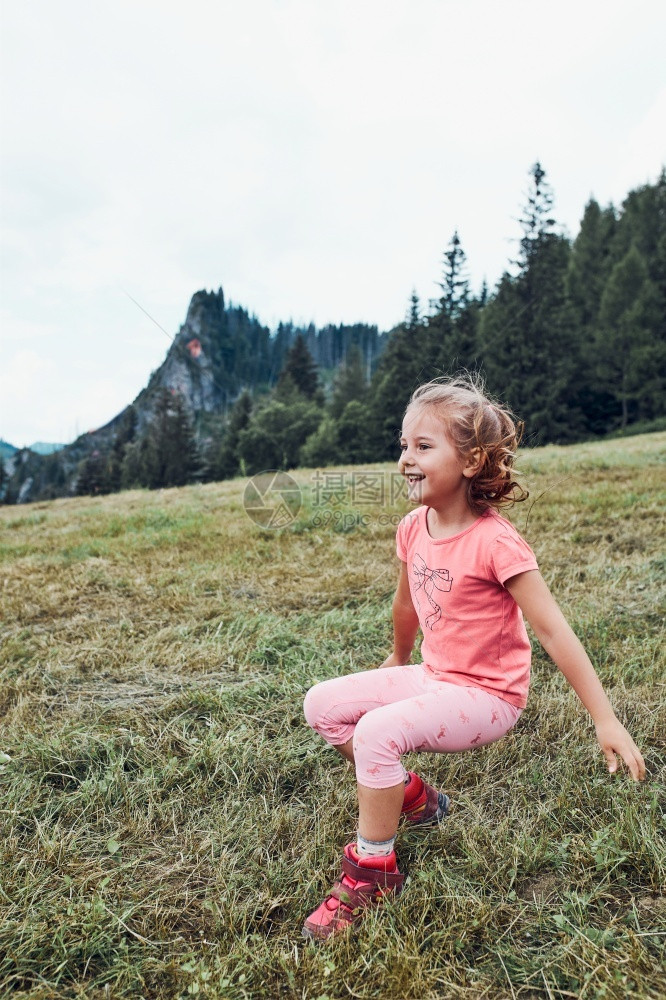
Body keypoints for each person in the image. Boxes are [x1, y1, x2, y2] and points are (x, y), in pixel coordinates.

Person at [301, 374, 645, 940]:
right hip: (434, 675)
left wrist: (604, 719)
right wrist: (397, 654)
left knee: (375, 734)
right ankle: (415, 798)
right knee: (323, 706)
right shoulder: (413, 526)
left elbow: (555, 633)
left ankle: (373, 870)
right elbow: (407, 600)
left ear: (471, 460)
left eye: (424, 446)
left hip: (488, 697)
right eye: (403, 445)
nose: (406, 459)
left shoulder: (497, 542)